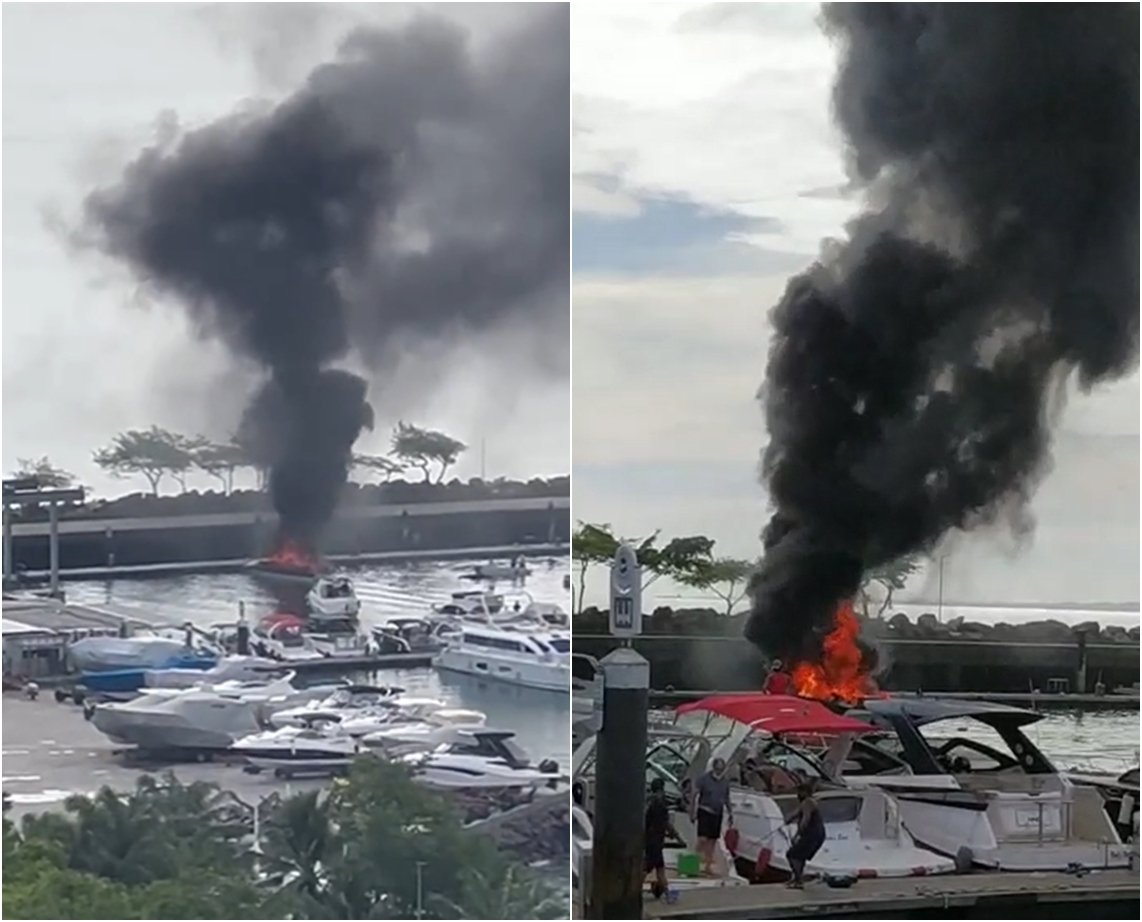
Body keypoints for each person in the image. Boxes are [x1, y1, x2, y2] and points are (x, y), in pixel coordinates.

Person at [691, 757, 733, 876]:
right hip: (705, 810)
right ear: (714, 767)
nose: (719, 770)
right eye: (718, 768)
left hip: (718, 813)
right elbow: (694, 795)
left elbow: (726, 798)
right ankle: (692, 866)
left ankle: (707, 866)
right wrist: (692, 811)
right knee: (702, 839)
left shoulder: (725, 782)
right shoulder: (704, 779)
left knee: (713, 840)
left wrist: (730, 813)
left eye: (721, 768)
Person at [786, 781, 826, 888]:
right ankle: (796, 879)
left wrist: (798, 834)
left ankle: (798, 881)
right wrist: (789, 819)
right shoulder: (807, 803)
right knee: (800, 856)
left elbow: (805, 820)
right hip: (816, 834)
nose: (797, 794)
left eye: (799, 791)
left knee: (791, 855)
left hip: (812, 834)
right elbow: (796, 813)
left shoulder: (808, 802)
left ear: (805, 792)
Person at [644, 777, 676, 898]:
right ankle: (633, 891)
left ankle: (667, 892)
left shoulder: (648, 800)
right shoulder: (660, 803)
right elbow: (665, 822)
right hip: (656, 839)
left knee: (660, 867)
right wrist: (675, 835)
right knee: (648, 867)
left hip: (649, 838)